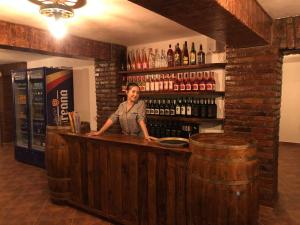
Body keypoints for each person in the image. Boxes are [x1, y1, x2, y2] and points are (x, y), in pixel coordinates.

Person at [88, 82, 156, 141]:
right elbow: (113, 118)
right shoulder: (122, 105)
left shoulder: (141, 104)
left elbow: (141, 119)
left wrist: (146, 135)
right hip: (126, 138)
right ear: (127, 92)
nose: (135, 95)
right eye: (133, 91)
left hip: (139, 139)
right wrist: (99, 132)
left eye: (138, 93)